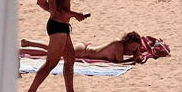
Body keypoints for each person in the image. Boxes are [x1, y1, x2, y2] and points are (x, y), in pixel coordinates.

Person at [25, 0, 89, 92]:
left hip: (59, 26)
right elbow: (61, 11)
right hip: (58, 28)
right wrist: (76, 15)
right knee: (51, 63)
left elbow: (41, 2)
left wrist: (52, 12)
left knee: (70, 58)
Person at [20, 31, 150, 64]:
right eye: (133, 46)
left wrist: (136, 53)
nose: (134, 49)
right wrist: (134, 59)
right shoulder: (118, 45)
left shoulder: (121, 46)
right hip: (83, 52)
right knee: (52, 53)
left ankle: (27, 42)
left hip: (84, 49)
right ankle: (22, 50)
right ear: (128, 42)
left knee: (53, 49)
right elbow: (120, 61)